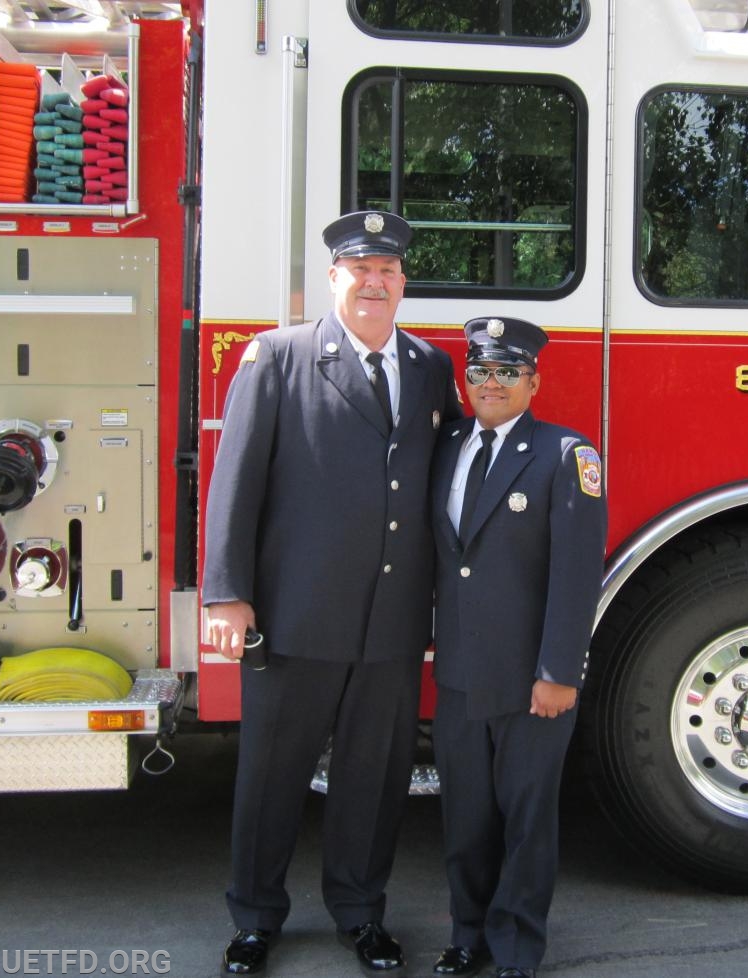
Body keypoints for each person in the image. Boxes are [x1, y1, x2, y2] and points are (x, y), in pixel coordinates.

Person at [202, 210, 462, 978]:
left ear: (403, 283)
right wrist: (227, 594)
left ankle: (361, 912)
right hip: (295, 614)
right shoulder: (279, 358)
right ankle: (254, 918)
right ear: (333, 278)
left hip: (391, 619)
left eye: (388, 271)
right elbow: (235, 483)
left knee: (374, 779)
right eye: (360, 270)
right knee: (270, 775)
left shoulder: (429, 369)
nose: (374, 282)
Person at [428, 318, 607, 978]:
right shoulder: (446, 446)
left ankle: (515, 947)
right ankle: (467, 934)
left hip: (533, 679)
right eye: (479, 371)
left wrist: (560, 670)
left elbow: (577, 572)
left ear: (535, 380)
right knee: (465, 817)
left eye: (508, 371)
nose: (492, 383)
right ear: (465, 381)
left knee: (527, 822)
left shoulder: (566, 455)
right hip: (459, 675)